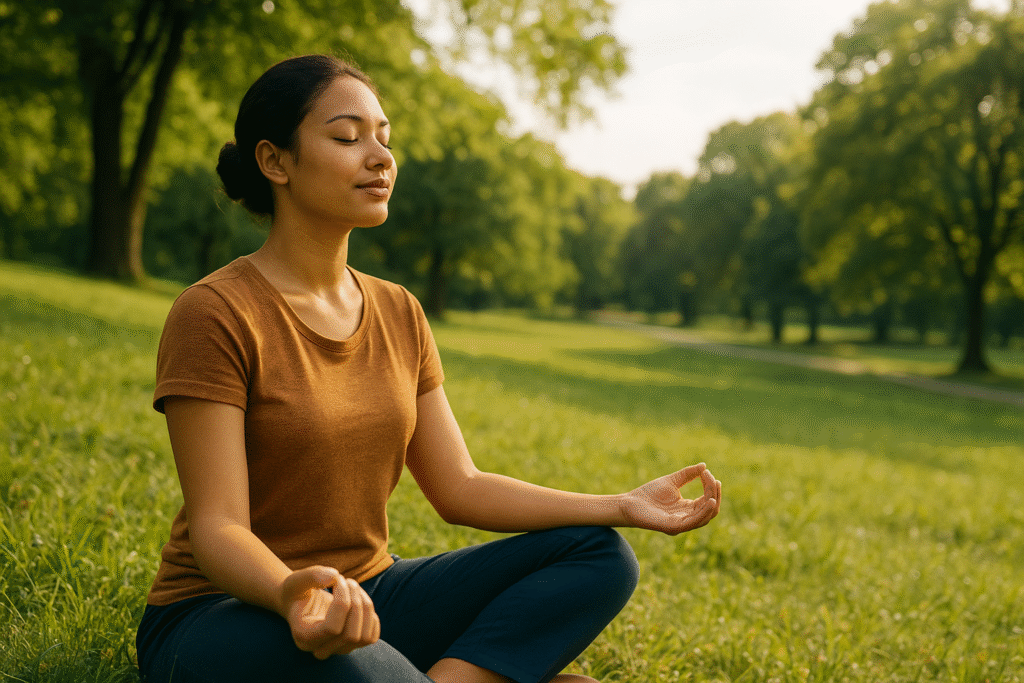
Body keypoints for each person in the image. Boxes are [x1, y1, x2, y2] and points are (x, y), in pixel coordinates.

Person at [135, 54, 722, 683]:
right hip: (223, 614)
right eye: (346, 137)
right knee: (353, 665)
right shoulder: (215, 312)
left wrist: (621, 505)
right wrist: (292, 595)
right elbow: (218, 529)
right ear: (274, 161)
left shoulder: (398, 311)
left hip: (371, 596)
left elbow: (459, 486)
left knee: (600, 554)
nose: (381, 157)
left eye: (385, 138)